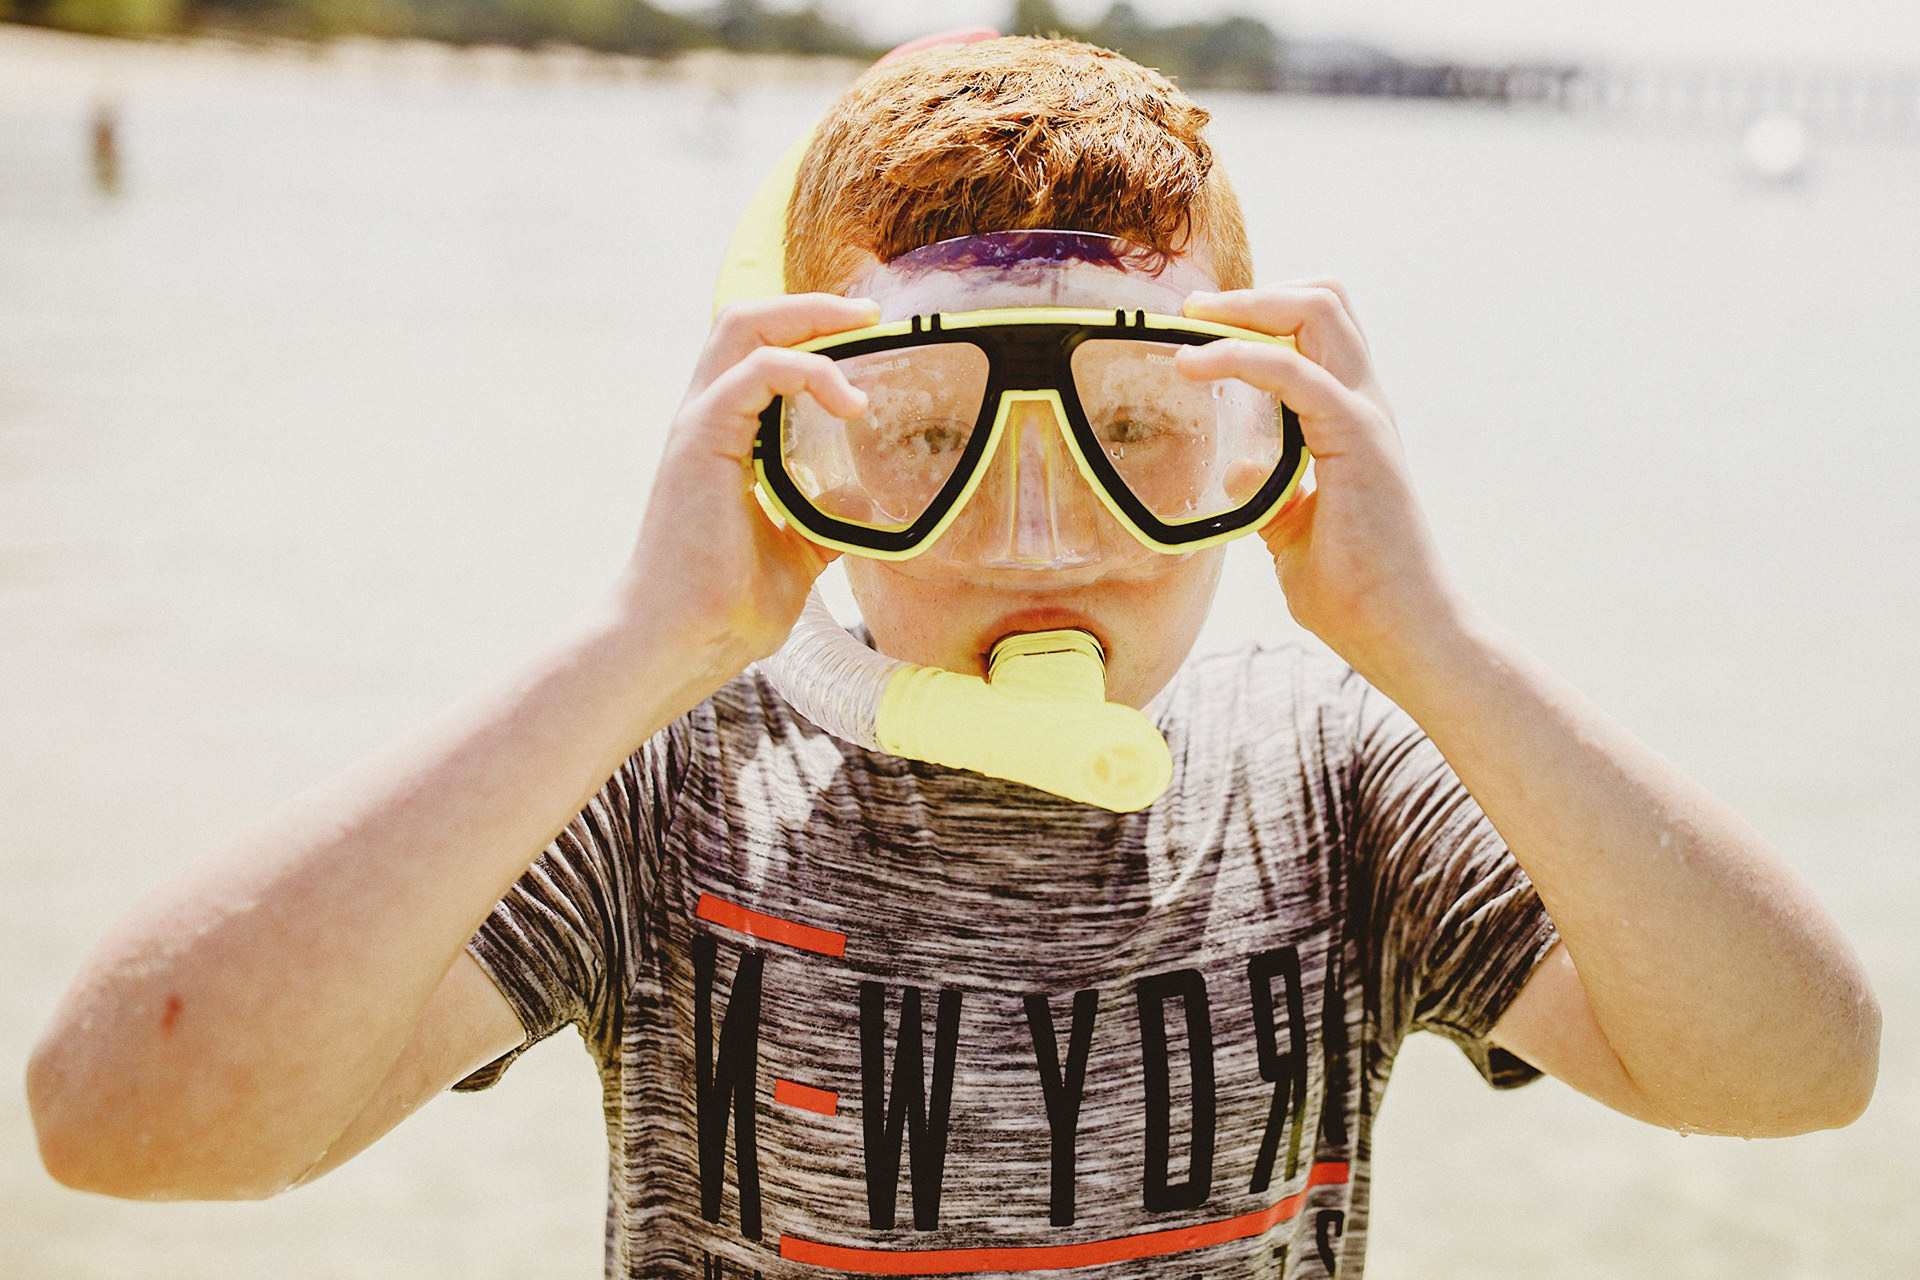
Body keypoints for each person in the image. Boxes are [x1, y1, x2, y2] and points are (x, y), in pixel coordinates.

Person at [27, 33, 1878, 1280]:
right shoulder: (676, 787)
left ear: (1276, 441)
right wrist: (635, 646)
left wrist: (1438, 647)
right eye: (923, 437)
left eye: (1142, 428)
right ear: (790, 456)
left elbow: (1798, 1071)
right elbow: (123, 1121)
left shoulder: (1340, 785)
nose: (1039, 534)